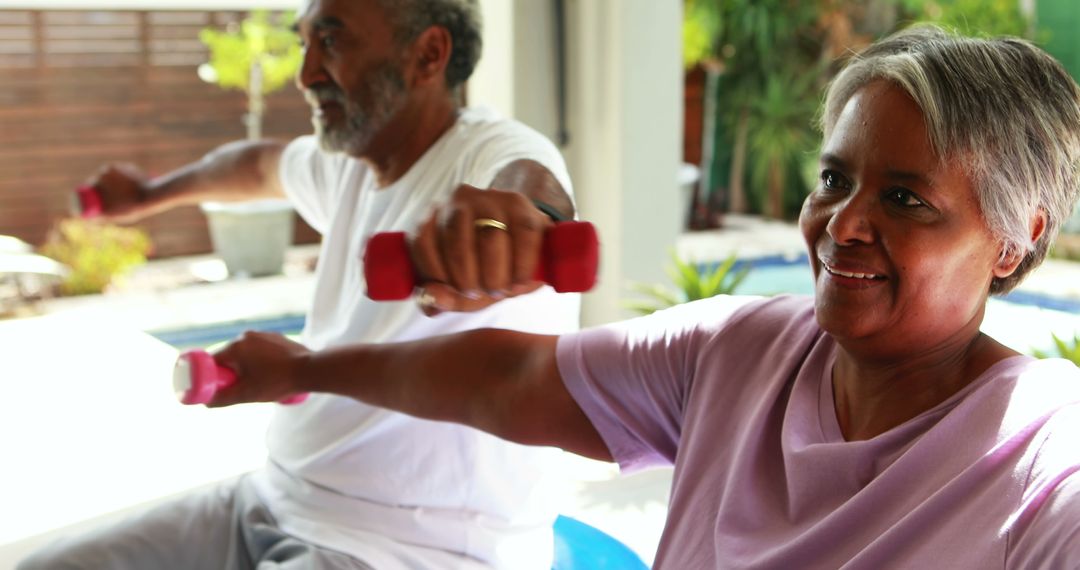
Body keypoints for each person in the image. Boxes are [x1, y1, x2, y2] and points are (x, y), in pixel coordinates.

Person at [190, 24, 1080, 567]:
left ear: (1016, 241)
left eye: (905, 198)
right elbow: (508, 378)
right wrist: (306, 366)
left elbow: (531, 183)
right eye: (834, 179)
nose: (842, 224)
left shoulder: (1043, 465)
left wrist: (535, 208)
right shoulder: (739, 351)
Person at [19, 1, 580, 569]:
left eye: (331, 43)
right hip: (269, 498)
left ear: (428, 54)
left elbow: (529, 187)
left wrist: (517, 223)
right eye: (305, 43)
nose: (306, 72)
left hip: (414, 546)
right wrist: (149, 194)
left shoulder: (490, 148)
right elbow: (256, 165)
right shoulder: (356, 163)